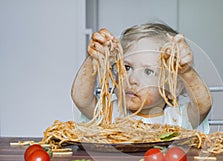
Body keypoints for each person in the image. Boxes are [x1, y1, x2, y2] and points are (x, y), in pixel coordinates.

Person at [71, 23, 212, 133]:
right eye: (126, 67)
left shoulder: (177, 119)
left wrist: (186, 71)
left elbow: (203, 105)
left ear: (172, 88)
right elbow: (81, 99)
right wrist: (94, 58)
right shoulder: (109, 113)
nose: (131, 79)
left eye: (148, 72)